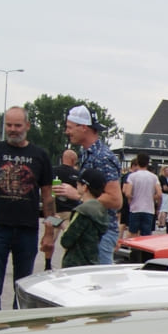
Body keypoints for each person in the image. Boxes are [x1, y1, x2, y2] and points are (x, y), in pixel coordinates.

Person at [0, 106, 54, 310]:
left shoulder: (40, 155)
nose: (13, 129)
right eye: (9, 125)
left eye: (17, 125)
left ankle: (16, 328)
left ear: (27, 126)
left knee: (23, 288)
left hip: (27, 230)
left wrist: (49, 232)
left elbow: (48, 197)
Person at [57, 105, 122, 263]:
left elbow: (115, 200)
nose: (67, 132)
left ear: (83, 127)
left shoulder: (102, 157)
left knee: (99, 284)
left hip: (101, 235)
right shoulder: (88, 153)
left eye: (70, 127)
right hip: (93, 234)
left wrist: (78, 195)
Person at [60, 170, 110, 268]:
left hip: (75, 263)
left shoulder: (82, 211)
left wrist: (62, 224)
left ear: (85, 187)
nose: (76, 184)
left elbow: (66, 241)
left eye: (79, 183)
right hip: (92, 261)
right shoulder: (101, 210)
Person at [123, 152, 162, 237]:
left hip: (135, 208)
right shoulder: (154, 177)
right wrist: (152, 197)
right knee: (146, 235)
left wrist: (131, 199)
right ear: (148, 163)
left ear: (137, 161)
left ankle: (133, 249)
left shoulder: (132, 176)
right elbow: (159, 194)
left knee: (133, 232)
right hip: (148, 209)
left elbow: (127, 193)